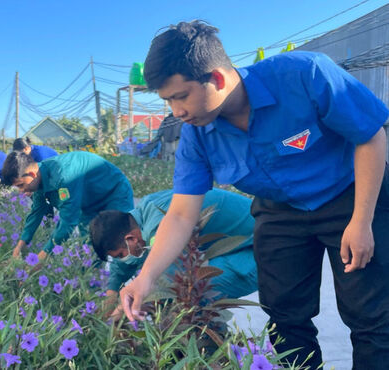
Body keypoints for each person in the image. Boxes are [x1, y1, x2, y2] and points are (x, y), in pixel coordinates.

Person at [119, 21, 389, 369]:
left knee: (371, 317)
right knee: (284, 319)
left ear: (216, 78)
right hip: (279, 211)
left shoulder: (305, 75)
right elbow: (181, 214)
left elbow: (370, 137)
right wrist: (147, 277)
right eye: (168, 101)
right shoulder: (197, 134)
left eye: (180, 96)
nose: (177, 112)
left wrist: (362, 220)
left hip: (351, 195)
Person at [90, 188, 257, 319]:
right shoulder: (141, 216)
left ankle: (208, 355)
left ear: (131, 239)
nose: (123, 259)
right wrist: (111, 297)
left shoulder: (157, 226)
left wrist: (123, 310)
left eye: (120, 255)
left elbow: (166, 278)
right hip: (238, 241)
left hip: (260, 247)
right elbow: (120, 268)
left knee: (193, 295)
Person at [1, 151, 134, 263]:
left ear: (32, 174)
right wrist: (21, 244)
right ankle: (92, 288)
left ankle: (127, 288)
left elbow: (68, 222)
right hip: (88, 203)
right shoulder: (39, 180)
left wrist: (44, 254)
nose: (21, 190)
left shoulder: (63, 176)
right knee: (90, 248)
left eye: (20, 185)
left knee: (119, 243)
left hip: (113, 192)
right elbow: (36, 212)